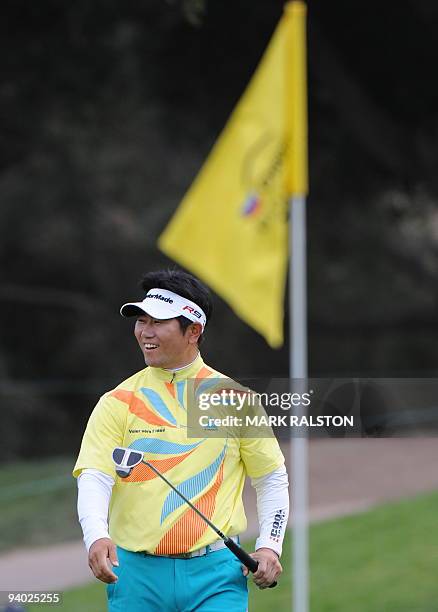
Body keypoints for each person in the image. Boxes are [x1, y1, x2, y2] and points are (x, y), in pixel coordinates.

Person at [73, 269, 289, 612]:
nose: (146, 331)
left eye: (158, 322)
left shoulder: (234, 399)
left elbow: (271, 478)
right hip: (135, 576)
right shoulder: (117, 401)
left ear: (194, 331)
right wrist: (96, 535)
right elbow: (94, 476)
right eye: (142, 320)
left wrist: (269, 545)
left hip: (217, 576)